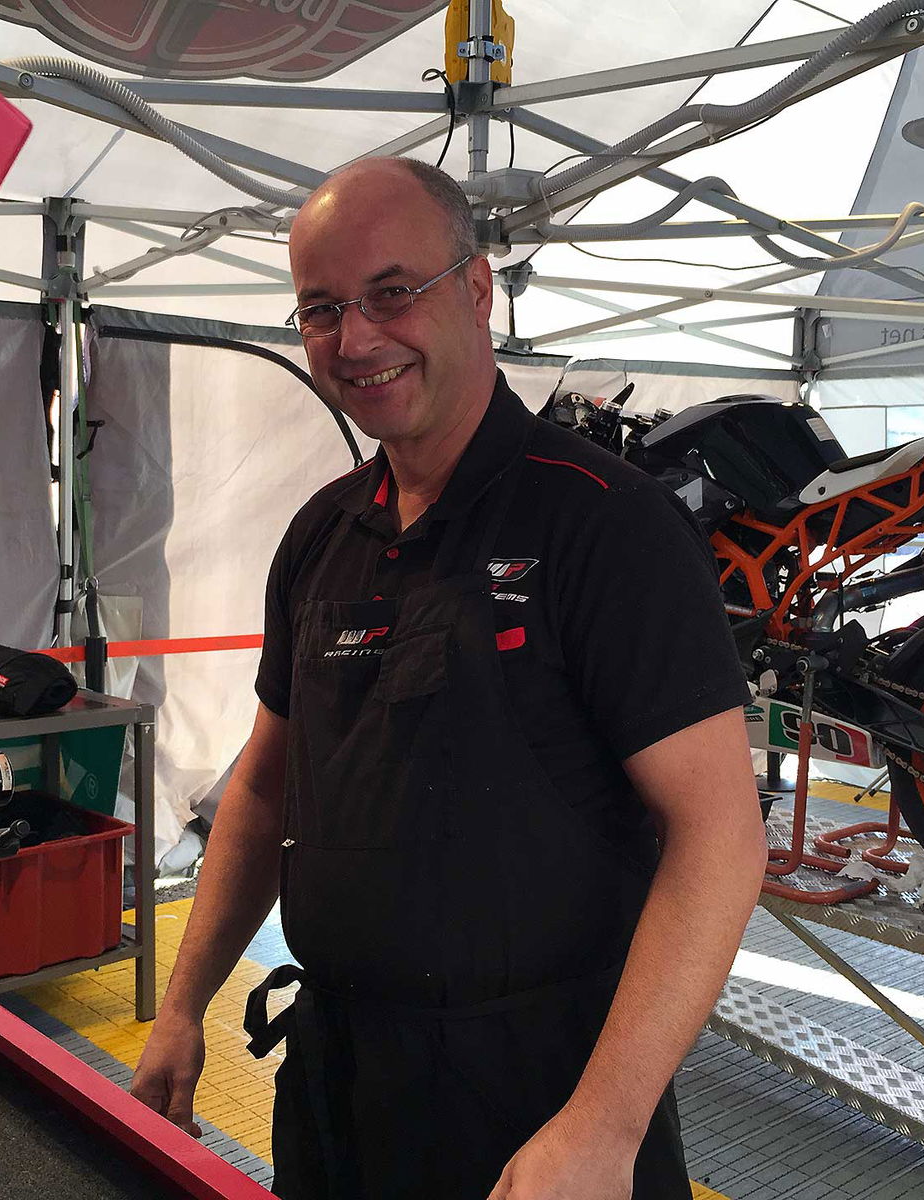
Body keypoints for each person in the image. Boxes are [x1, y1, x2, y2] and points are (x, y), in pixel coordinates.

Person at [131, 156, 768, 1200]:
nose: (355, 339)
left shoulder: (605, 525)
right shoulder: (321, 534)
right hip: (337, 1079)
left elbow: (719, 837)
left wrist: (603, 1128)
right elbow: (264, 786)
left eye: (392, 292)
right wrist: (180, 1005)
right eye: (321, 308)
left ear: (476, 291)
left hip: (542, 1096)